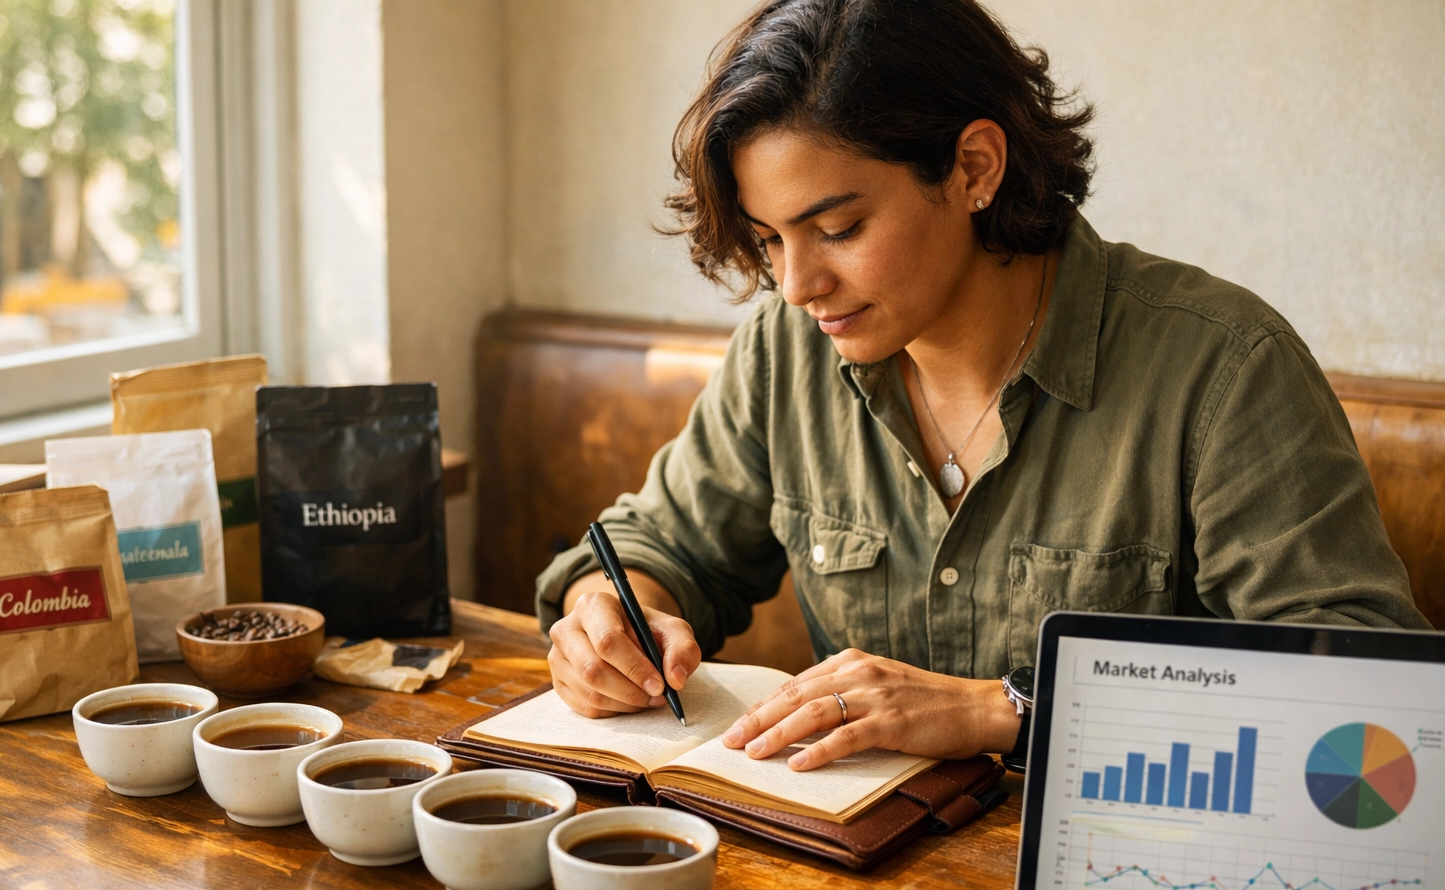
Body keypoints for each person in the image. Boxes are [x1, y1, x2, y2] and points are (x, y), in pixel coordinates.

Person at [534, 0, 1428, 774]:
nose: (798, 284)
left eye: (837, 227)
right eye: (770, 240)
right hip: (866, 882)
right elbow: (659, 546)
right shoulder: (789, 348)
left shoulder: (1221, 369)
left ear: (973, 169)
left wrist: (1006, 710)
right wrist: (611, 614)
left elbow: (1365, 691)